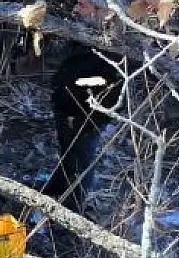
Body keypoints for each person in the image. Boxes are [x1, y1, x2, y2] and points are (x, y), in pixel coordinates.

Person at [40, 45, 121, 214]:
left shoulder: (110, 61)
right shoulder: (81, 45)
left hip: (87, 116)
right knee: (66, 151)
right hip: (66, 106)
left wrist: (89, 122)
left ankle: (74, 206)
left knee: (82, 160)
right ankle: (58, 185)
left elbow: (111, 95)